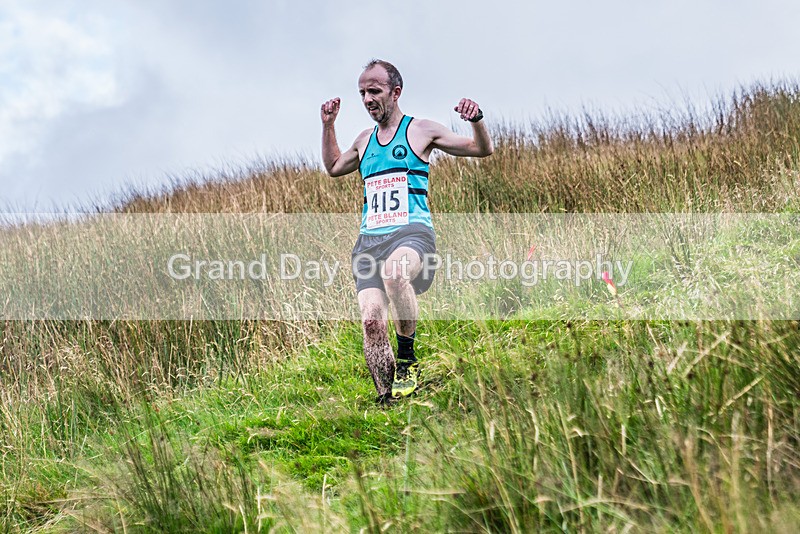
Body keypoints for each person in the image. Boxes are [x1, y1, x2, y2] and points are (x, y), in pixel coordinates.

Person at [320, 59, 493, 405]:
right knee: (371, 321)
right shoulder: (364, 141)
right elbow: (334, 167)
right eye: (362, 93)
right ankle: (387, 399)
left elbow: (481, 149)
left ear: (395, 92)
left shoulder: (421, 130)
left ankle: (407, 358)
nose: (367, 99)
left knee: (395, 275)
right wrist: (328, 126)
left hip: (411, 234)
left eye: (375, 91)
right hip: (369, 241)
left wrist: (477, 121)